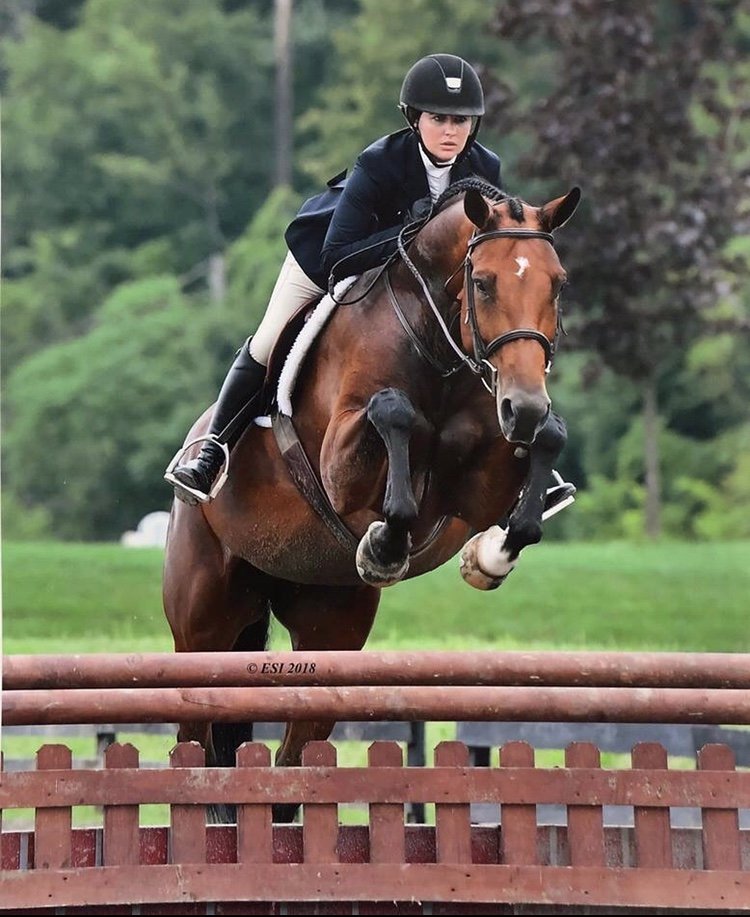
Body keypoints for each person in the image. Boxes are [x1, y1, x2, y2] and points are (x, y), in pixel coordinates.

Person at [165, 53, 576, 516]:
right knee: (269, 339)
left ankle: (521, 465)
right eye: (438, 118)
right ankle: (212, 451)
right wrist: (410, 233)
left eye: (461, 121)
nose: (450, 131)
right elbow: (340, 255)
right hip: (328, 258)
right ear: (414, 119)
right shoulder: (380, 162)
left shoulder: (484, 167)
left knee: (480, 335)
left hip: (419, 281)